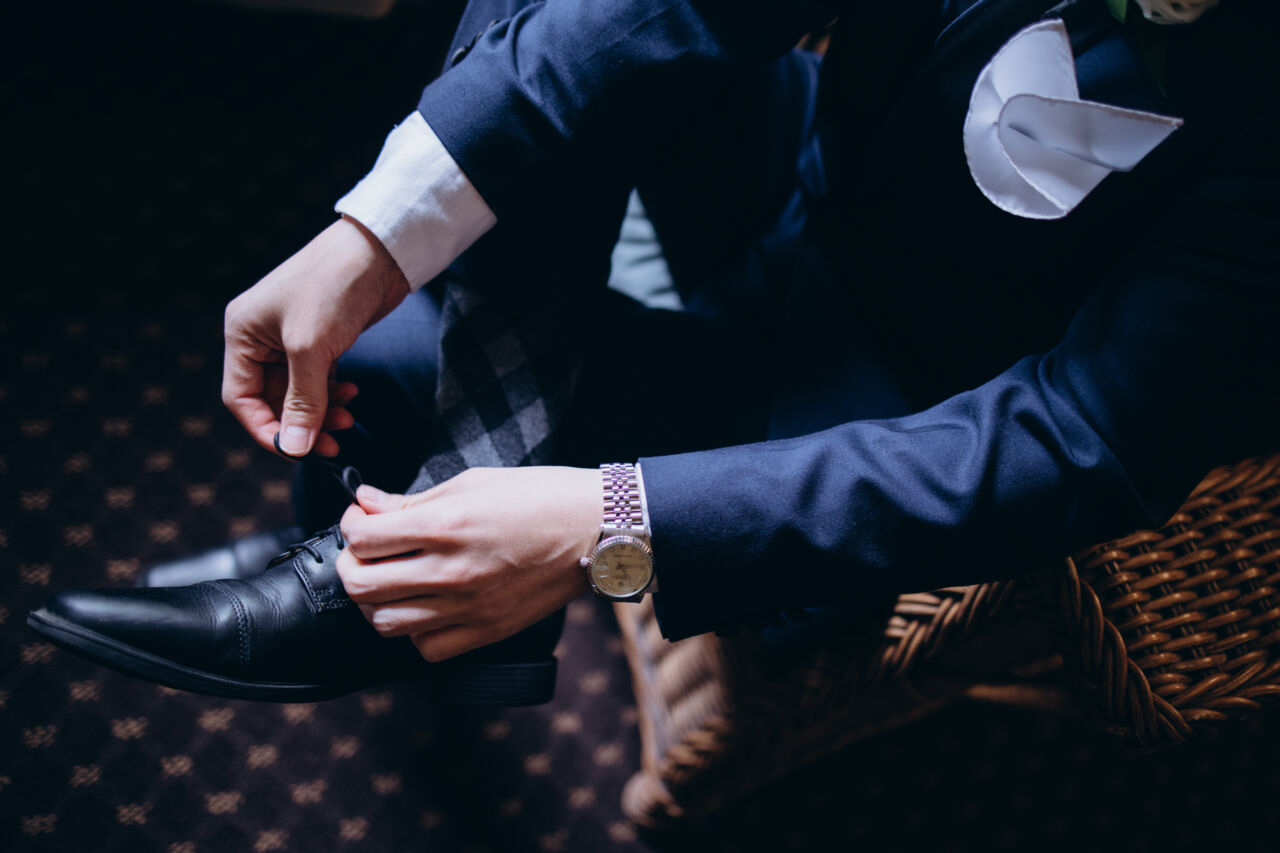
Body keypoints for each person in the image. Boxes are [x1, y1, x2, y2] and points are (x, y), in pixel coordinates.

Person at [29, 0, 1280, 702]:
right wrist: (382, 226)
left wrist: (606, 524)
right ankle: (396, 549)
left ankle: (366, 557)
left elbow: (1078, 442)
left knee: (390, 374)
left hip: (885, 414)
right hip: (797, 165)